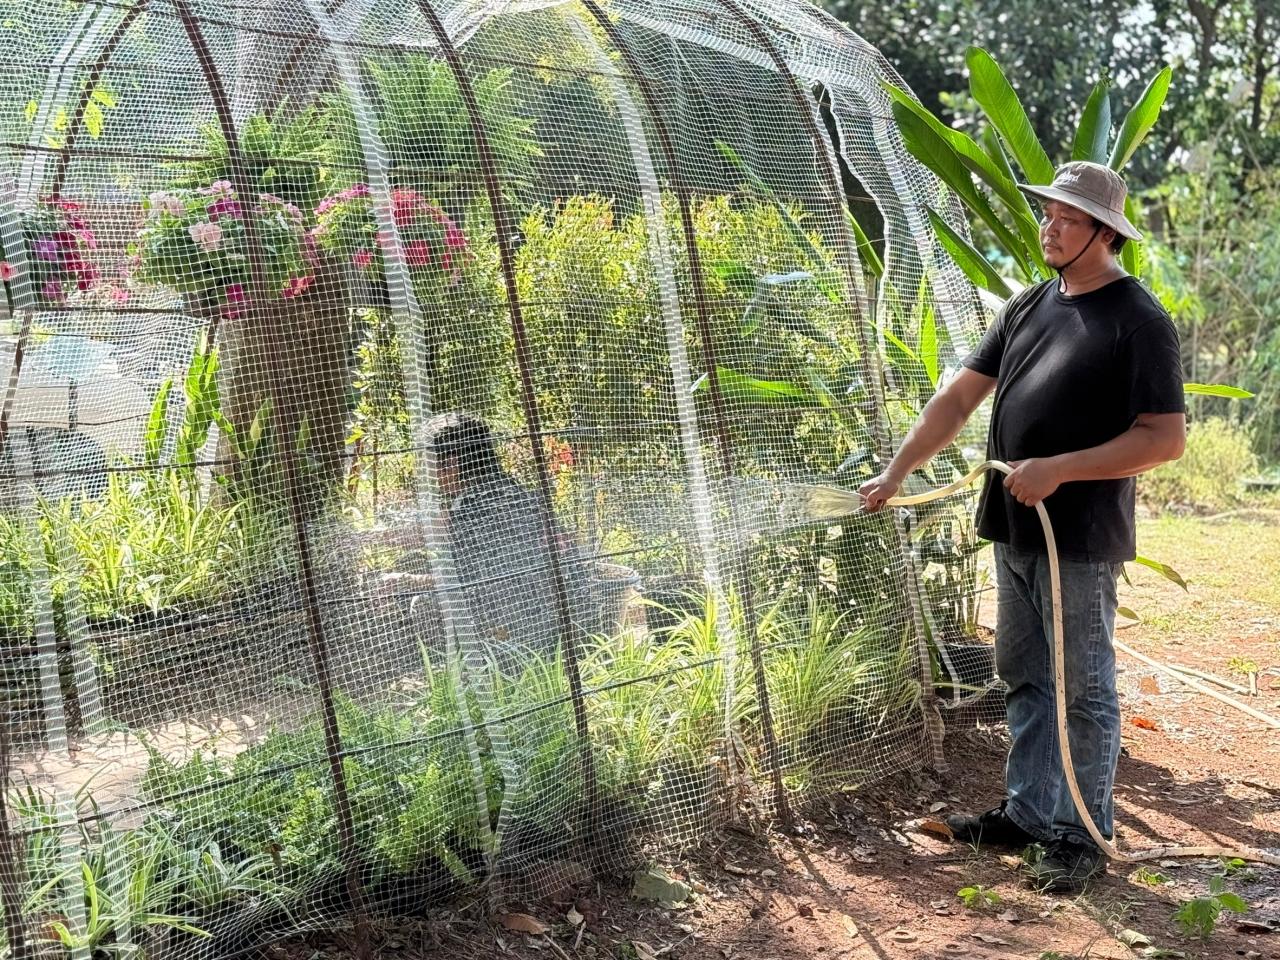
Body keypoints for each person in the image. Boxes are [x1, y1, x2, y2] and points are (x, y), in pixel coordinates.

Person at [858, 162, 1186, 892]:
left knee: (1083, 687)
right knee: (1025, 676)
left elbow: (1164, 439)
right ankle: (1030, 814)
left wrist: (1063, 467)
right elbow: (957, 398)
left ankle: (1081, 835)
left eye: (1067, 219)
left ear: (1104, 232)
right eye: (1047, 215)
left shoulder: (1140, 320)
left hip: (1079, 537)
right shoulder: (1029, 305)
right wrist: (897, 469)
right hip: (1014, 528)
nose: (1050, 227)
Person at [424, 412, 598, 667]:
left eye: (428, 466)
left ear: (450, 465)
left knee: (426, 608)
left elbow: (467, 583)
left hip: (530, 644)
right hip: (575, 629)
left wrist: (405, 582)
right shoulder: (508, 489)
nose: (428, 478)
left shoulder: (476, 506)